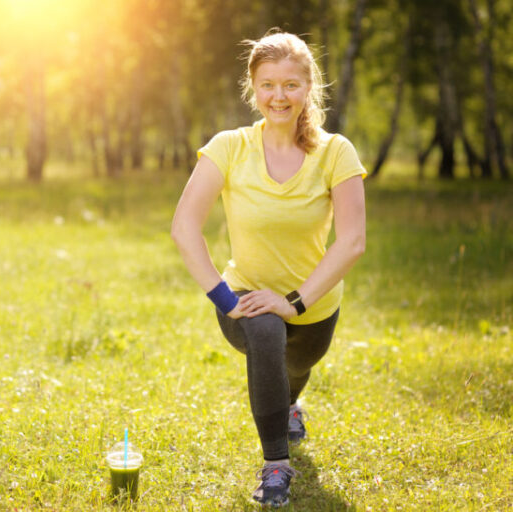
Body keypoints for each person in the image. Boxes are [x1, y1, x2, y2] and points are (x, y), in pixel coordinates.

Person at [170, 30, 366, 507]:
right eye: (268, 85)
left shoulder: (335, 152)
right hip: (247, 298)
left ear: (308, 88)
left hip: (314, 306)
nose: (279, 96)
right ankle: (276, 463)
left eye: (291, 85)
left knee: (294, 366)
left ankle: (291, 402)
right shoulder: (230, 147)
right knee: (265, 335)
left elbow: (353, 240)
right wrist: (223, 296)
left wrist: (294, 301)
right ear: (253, 88)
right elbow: (184, 227)